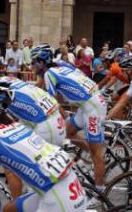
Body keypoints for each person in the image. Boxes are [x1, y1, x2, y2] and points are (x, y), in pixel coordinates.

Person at [31, 44, 108, 193]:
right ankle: (92, 156)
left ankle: (99, 192)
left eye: (33, 62)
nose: (30, 65)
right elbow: (40, 89)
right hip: (85, 106)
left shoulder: (49, 74)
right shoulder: (60, 65)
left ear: (41, 63)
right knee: (67, 132)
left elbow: (52, 102)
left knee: (96, 154)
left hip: (93, 108)